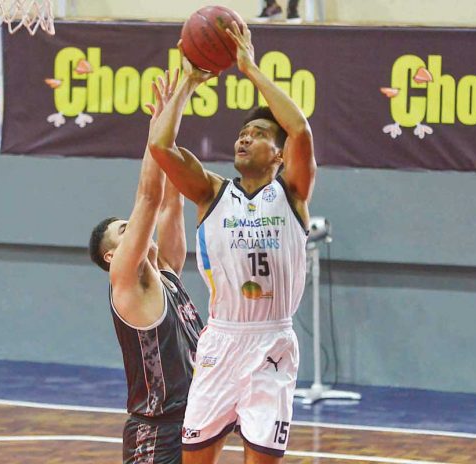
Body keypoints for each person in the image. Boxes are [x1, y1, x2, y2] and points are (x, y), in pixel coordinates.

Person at [149, 21, 315, 464]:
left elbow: (300, 129)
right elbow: (162, 147)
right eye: (244, 133)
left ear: (279, 155)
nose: (246, 137)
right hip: (221, 340)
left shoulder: (292, 193)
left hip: (271, 342)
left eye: (260, 134)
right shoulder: (211, 192)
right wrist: (187, 81)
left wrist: (250, 68)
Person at [89, 69, 204, 464]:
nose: (134, 228)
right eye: (124, 230)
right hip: (157, 431)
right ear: (111, 256)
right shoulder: (126, 284)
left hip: (196, 423)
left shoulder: (168, 272)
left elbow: (173, 200)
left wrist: (171, 122)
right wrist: (157, 129)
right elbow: (149, 198)